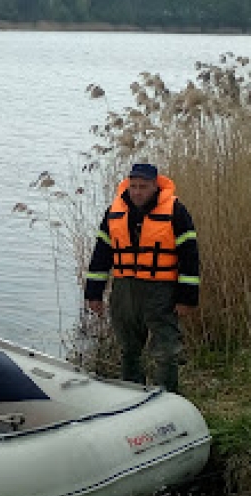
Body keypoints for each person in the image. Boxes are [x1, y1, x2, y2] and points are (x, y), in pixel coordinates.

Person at [84, 163, 200, 394]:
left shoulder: (175, 210)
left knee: (165, 349)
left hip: (161, 289)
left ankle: (167, 397)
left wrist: (187, 298)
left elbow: (190, 256)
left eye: (143, 187)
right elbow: (101, 255)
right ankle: (131, 394)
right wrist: (94, 293)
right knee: (128, 347)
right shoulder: (114, 211)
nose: (137, 192)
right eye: (133, 186)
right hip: (124, 289)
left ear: (155, 186)